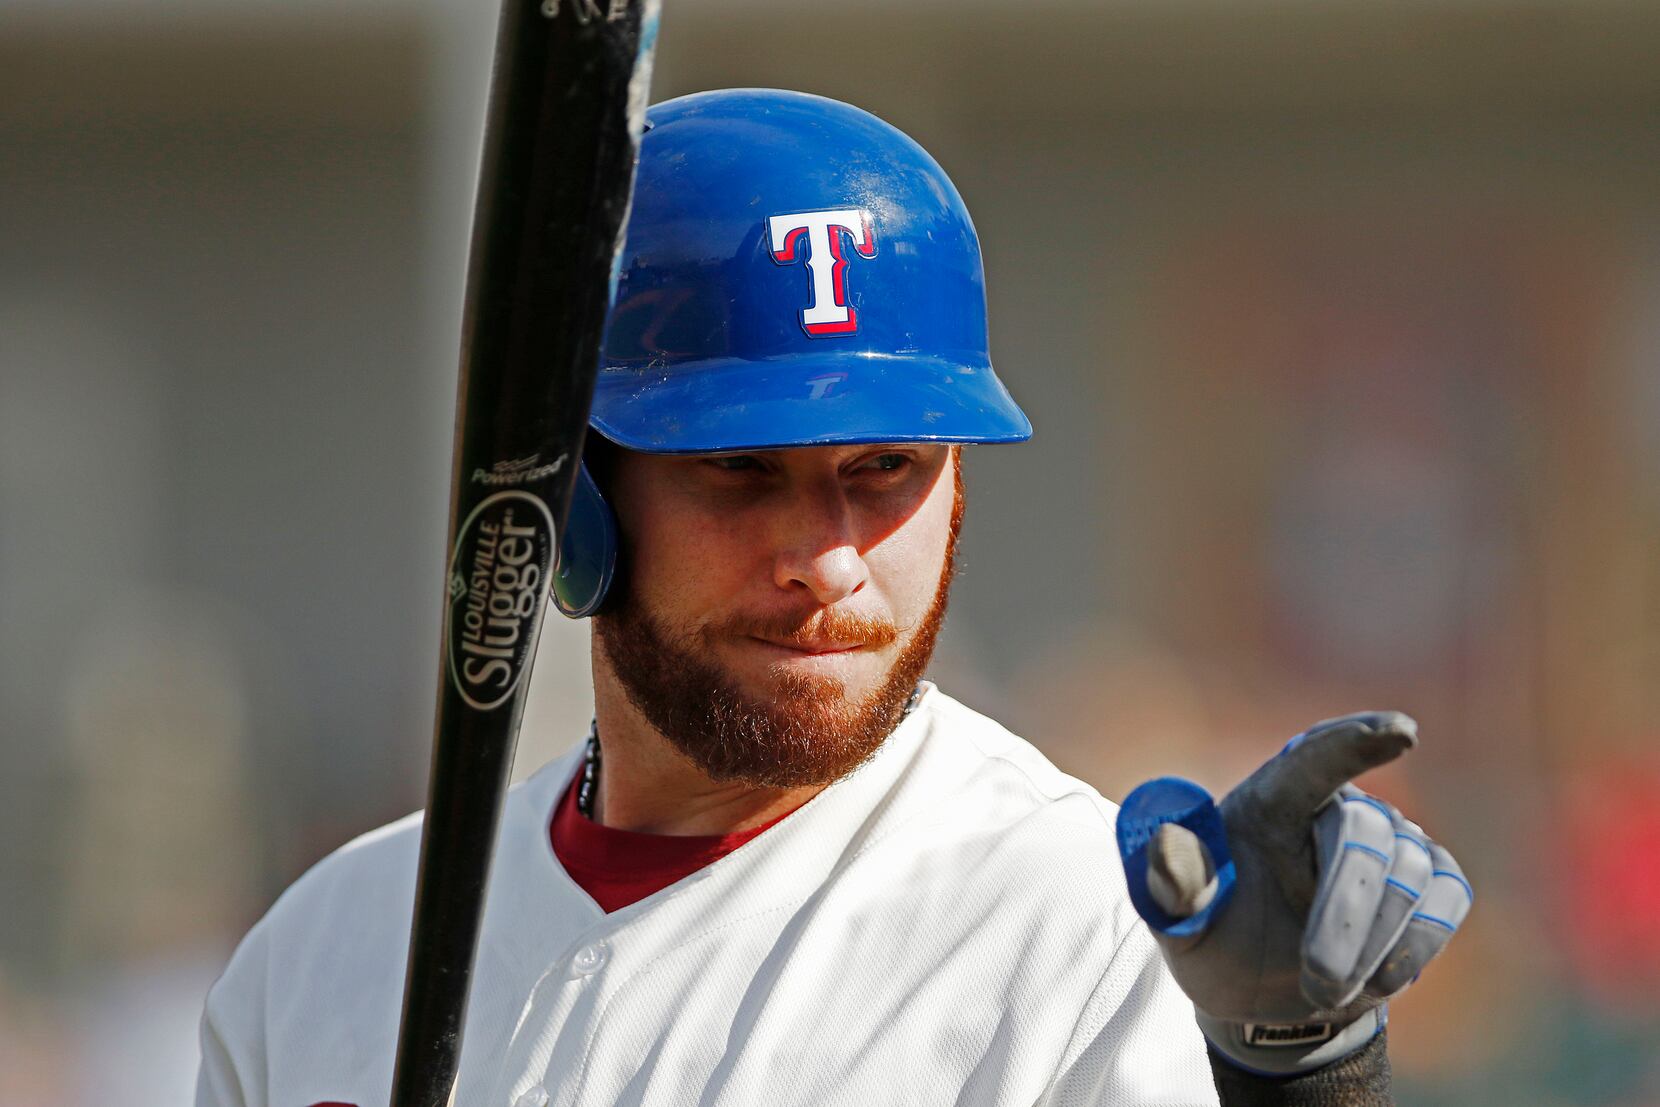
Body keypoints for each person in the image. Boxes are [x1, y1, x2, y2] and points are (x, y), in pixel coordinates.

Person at [196, 89, 1471, 1107]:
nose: (829, 558)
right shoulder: (330, 954)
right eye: (738, 471)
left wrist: (1303, 1078)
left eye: (886, 470)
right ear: (574, 499)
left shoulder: (1080, 928)